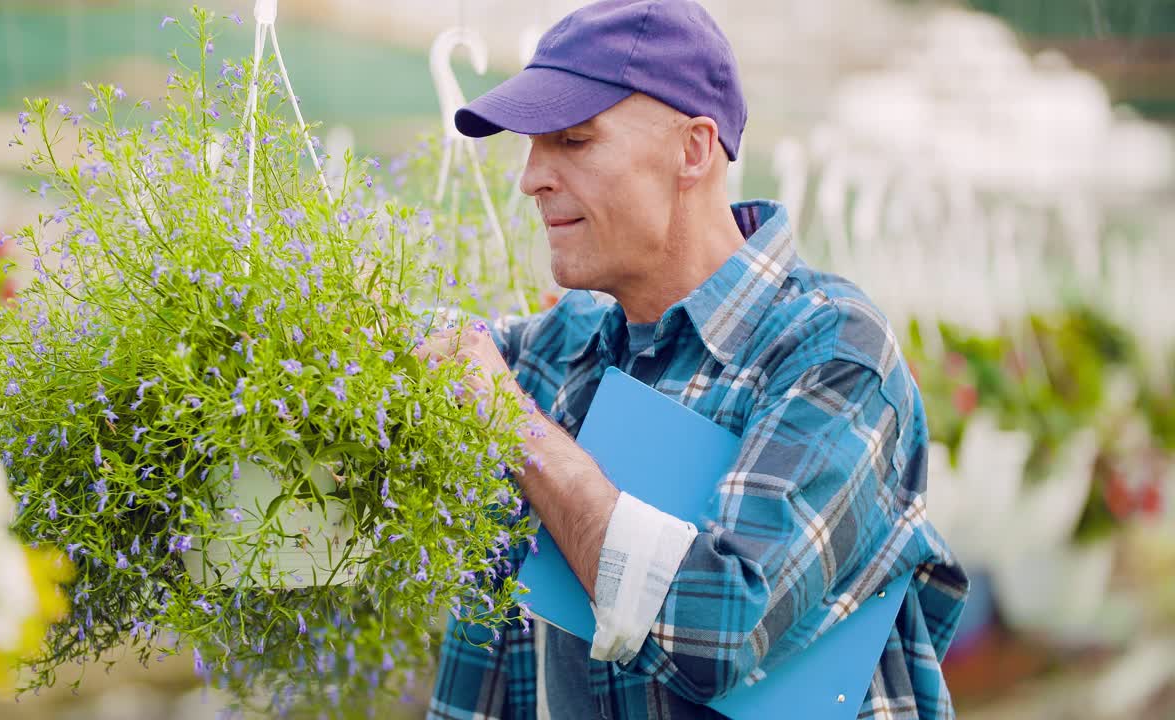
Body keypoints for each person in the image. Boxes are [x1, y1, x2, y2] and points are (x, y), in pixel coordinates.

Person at [413, 1, 968, 718]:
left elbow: (718, 624)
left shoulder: (830, 352)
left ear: (695, 150)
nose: (530, 179)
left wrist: (513, 425)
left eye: (574, 141)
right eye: (531, 147)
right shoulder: (562, 349)